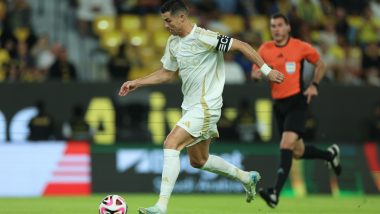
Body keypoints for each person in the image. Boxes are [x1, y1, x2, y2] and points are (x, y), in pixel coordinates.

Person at [118, 1, 284, 213]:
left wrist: (267, 71)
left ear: (181, 17)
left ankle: (161, 206)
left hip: (206, 106)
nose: (166, 25)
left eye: (168, 20)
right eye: (163, 21)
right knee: (199, 160)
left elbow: (242, 46)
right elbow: (167, 73)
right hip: (191, 107)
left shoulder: (205, 37)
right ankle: (246, 177)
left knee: (171, 144)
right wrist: (137, 82)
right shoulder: (173, 43)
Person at [251, 13, 342, 208]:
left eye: (279, 25)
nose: (276, 29)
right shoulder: (265, 49)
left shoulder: (300, 47)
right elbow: (255, 74)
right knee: (298, 152)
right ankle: (330, 155)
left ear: (288, 27)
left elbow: (321, 64)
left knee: (285, 145)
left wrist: (315, 85)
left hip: (297, 103)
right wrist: (257, 75)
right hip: (279, 106)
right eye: (273, 26)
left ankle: (274, 193)